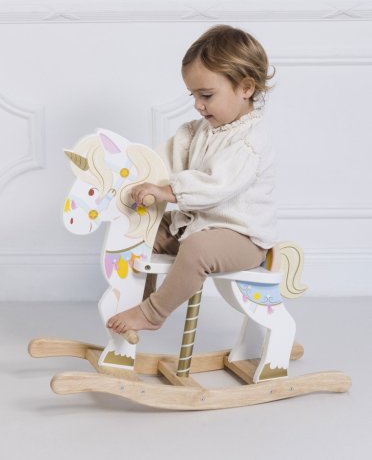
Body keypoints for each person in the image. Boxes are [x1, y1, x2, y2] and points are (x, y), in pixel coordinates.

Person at [107, 24, 277, 335]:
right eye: (194, 95)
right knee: (143, 227)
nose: (198, 104)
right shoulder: (196, 132)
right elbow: (161, 161)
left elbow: (217, 185)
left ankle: (153, 313)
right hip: (195, 226)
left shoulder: (249, 142)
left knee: (198, 250)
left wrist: (167, 191)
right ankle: (136, 298)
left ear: (246, 88)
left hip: (241, 237)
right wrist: (135, 176)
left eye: (207, 95)